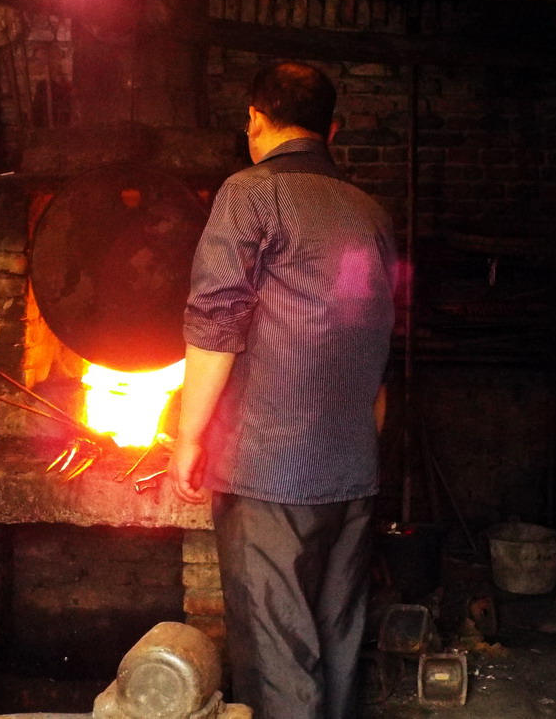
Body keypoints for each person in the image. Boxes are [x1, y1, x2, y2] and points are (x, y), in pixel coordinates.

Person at [168, 61, 396, 718]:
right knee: (337, 642)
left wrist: (187, 439)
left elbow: (215, 323)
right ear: (333, 130)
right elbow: (369, 334)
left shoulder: (249, 194)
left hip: (268, 473)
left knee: (277, 664)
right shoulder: (369, 214)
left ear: (255, 119)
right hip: (352, 470)